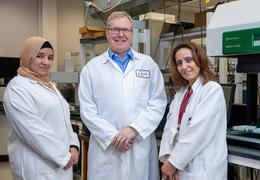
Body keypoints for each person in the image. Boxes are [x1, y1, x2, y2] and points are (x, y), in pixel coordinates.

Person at [78, 11, 167, 180]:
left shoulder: (148, 65)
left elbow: (158, 103)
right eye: (115, 29)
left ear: (132, 34)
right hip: (106, 150)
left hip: (138, 146)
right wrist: (113, 137)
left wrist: (133, 130)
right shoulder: (91, 69)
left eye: (125, 30)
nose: (120, 35)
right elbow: (87, 110)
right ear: (107, 33)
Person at [3, 36, 80, 180]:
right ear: (28, 56)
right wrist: (63, 156)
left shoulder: (48, 85)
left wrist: (73, 145)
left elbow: (64, 121)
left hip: (61, 163)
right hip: (37, 167)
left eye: (50, 57)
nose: (46, 62)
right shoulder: (17, 88)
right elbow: (32, 130)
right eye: (40, 56)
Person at [159, 41, 228, 180]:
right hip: (178, 168)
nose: (184, 67)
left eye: (188, 60)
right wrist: (168, 158)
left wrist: (173, 163)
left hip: (203, 169)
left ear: (200, 60)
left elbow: (198, 133)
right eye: (179, 63)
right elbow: (169, 129)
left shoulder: (211, 90)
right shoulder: (181, 93)